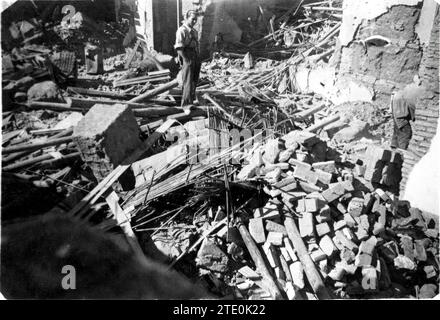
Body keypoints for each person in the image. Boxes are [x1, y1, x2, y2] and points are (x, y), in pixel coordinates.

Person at [174, 10, 201, 114]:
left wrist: (198, 57)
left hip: (195, 56)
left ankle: (191, 102)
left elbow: (196, 45)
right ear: (187, 18)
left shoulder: (194, 31)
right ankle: (185, 105)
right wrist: (186, 60)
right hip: (187, 56)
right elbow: (179, 48)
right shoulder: (182, 30)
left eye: (195, 19)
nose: (194, 21)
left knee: (194, 80)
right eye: (192, 19)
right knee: (188, 82)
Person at [390, 75, 424, 150]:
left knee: (397, 130)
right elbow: (413, 105)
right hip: (400, 112)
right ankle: (401, 152)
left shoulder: (410, 86)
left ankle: (393, 149)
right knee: (406, 132)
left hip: (397, 110)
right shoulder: (416, 90)